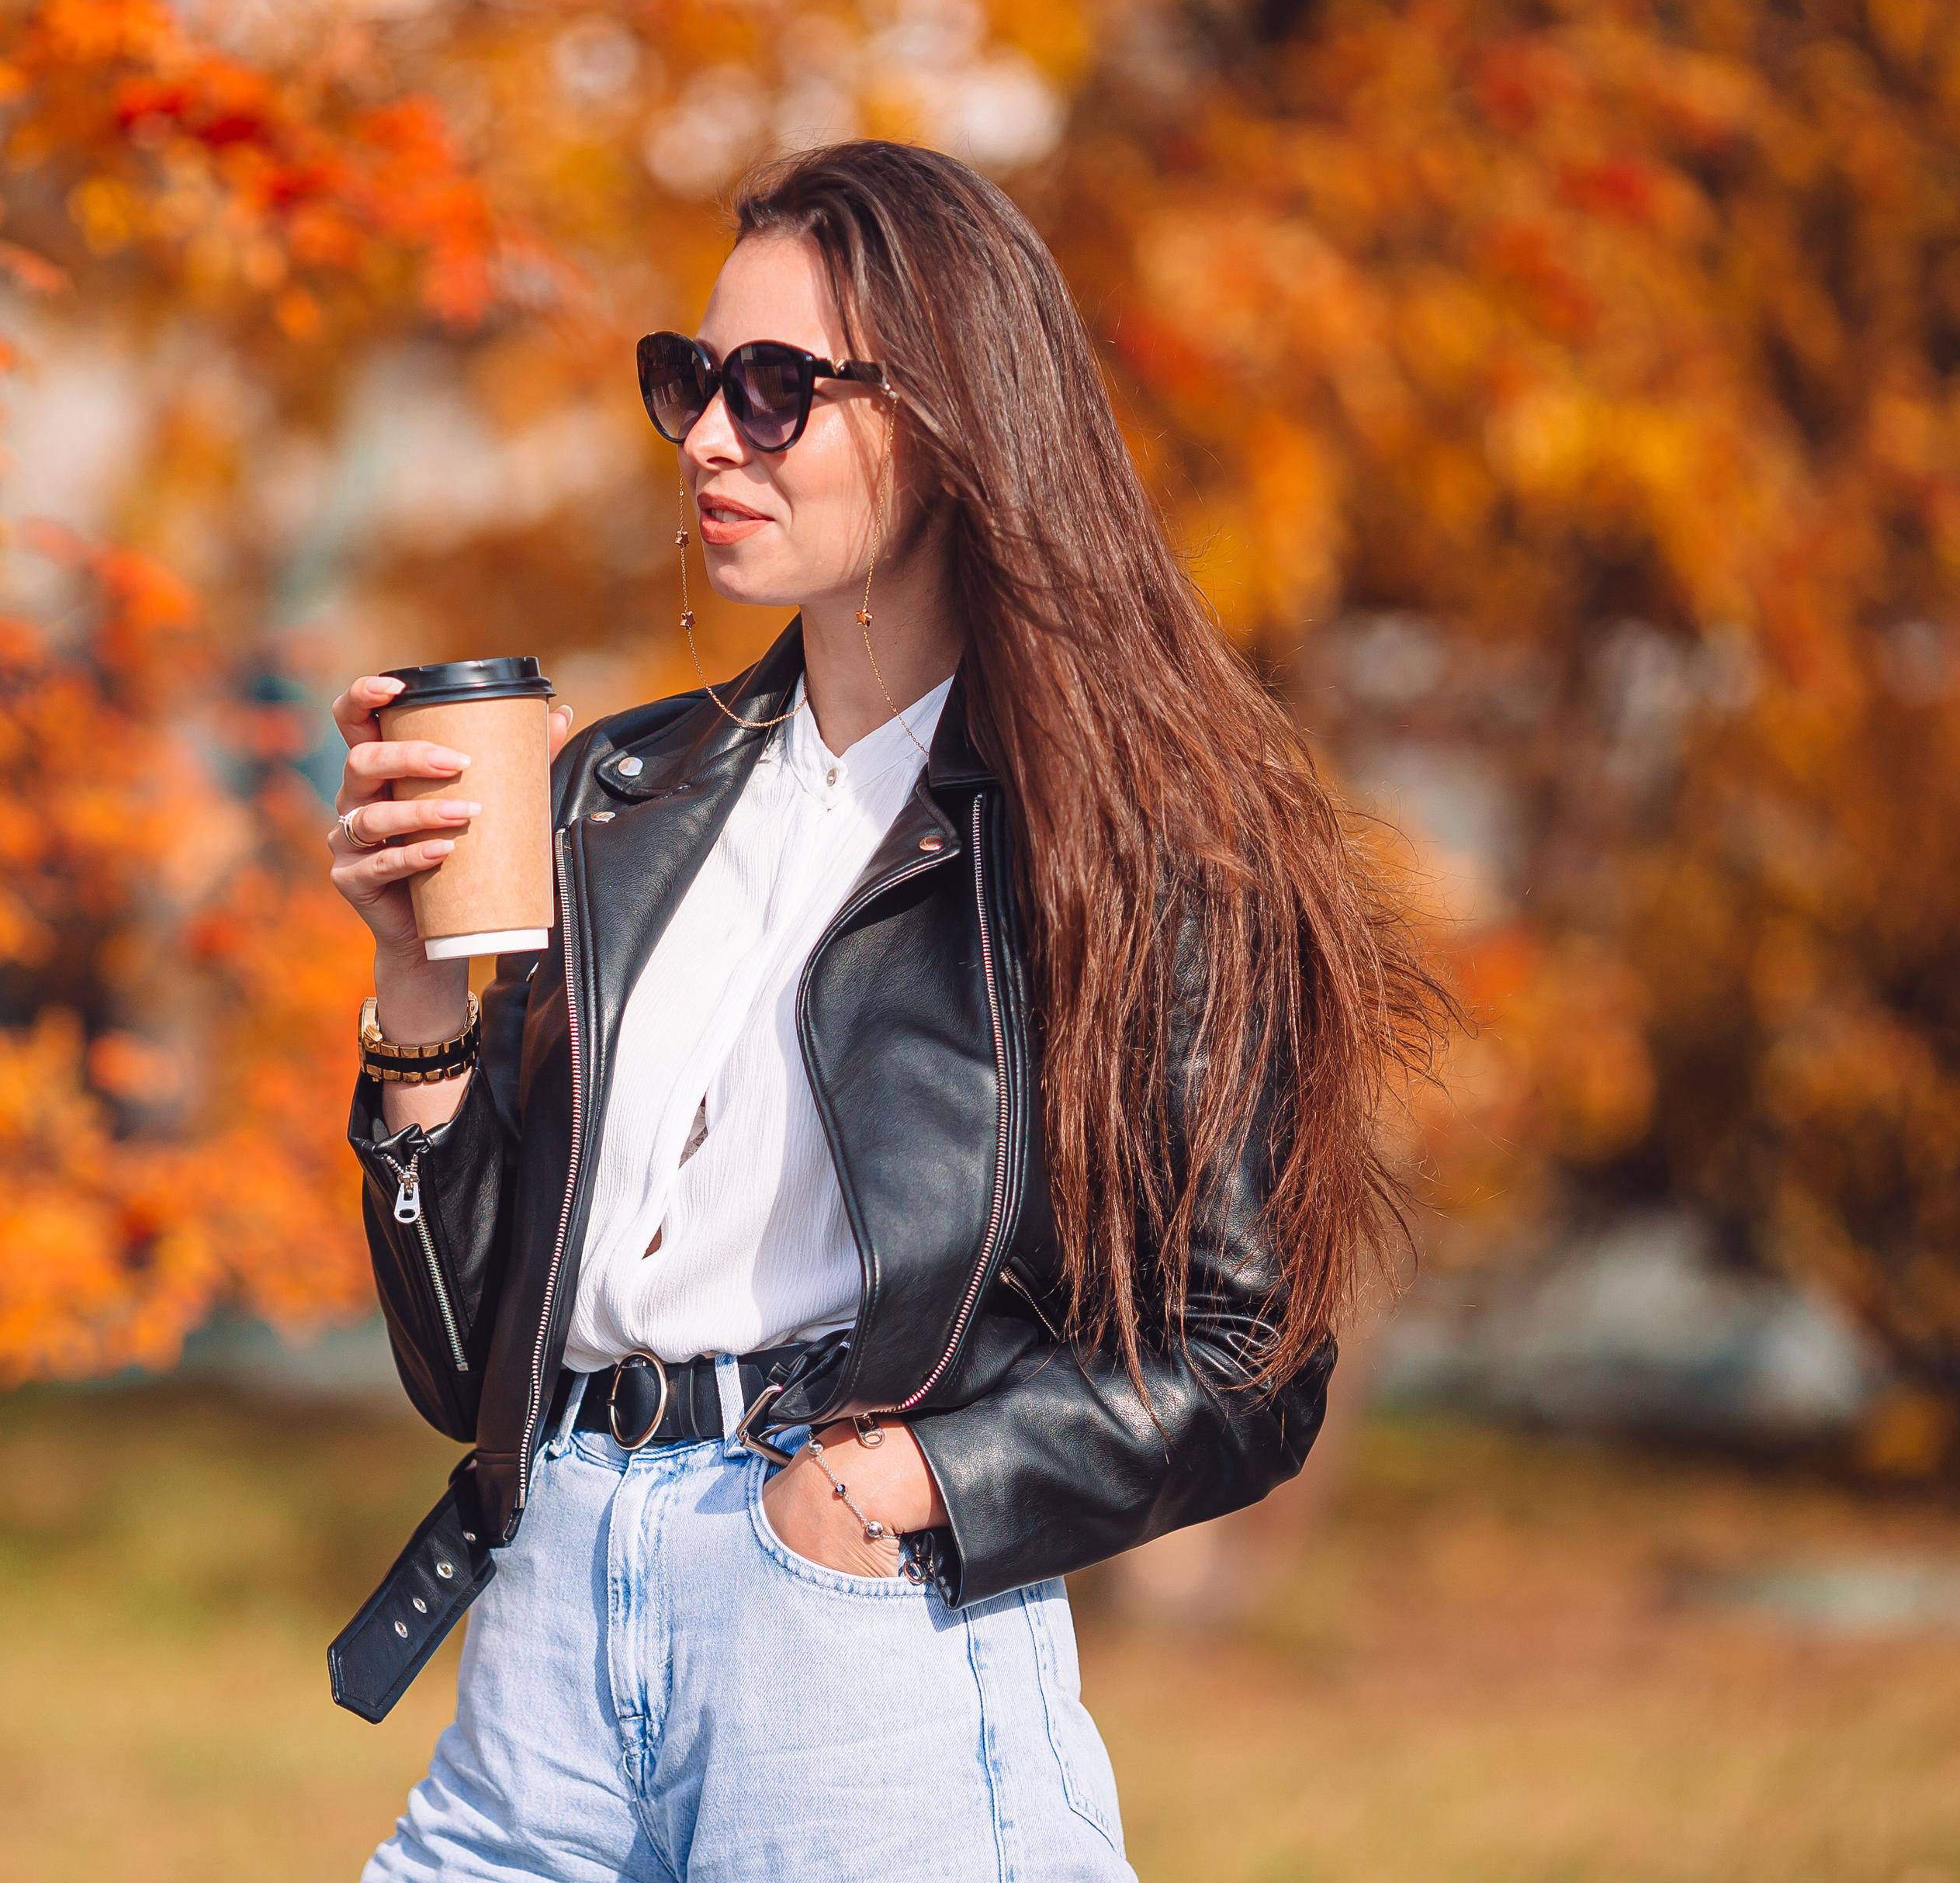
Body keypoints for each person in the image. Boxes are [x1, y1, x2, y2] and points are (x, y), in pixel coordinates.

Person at [320, 137, 1455, 1882]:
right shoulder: (617, 793)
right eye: (689, 381)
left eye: (773, 387)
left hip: (843, 1635)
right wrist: (415, 984)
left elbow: (1251, 1356)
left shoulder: (1133, 839)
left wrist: (890, 1492)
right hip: (552, 1611)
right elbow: (461, 1355)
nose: (708, 434)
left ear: (948, 416)